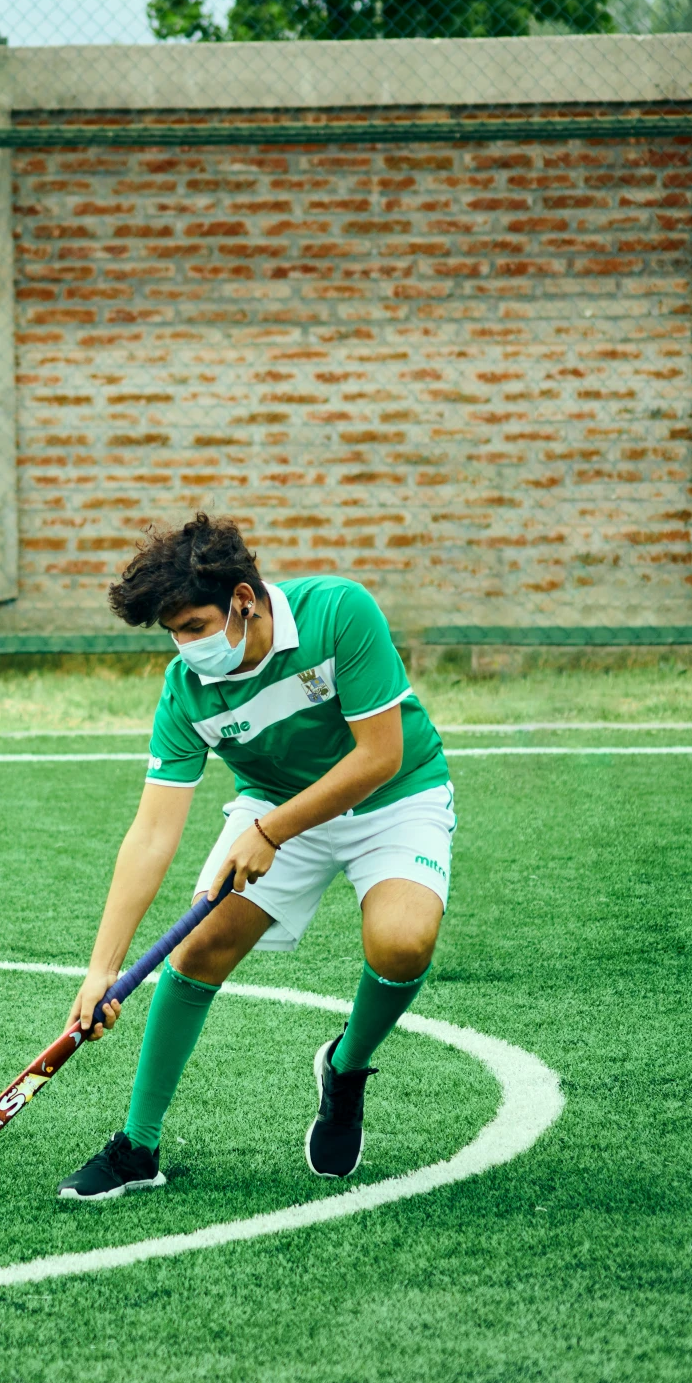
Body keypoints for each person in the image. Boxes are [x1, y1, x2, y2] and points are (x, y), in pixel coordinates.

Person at [59, 514, 454, 1200]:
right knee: (200, 948)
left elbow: (379, 755)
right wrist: (100, 970)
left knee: (402, 941)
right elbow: (152, 832)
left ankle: (347, 1066)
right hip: (275, 804)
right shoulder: (186, 693)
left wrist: (271, 832)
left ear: (244, 599)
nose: (185, 647)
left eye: (194, 626)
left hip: (394, 796)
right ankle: (139, 1146)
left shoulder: (338, 613)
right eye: (173, 633)